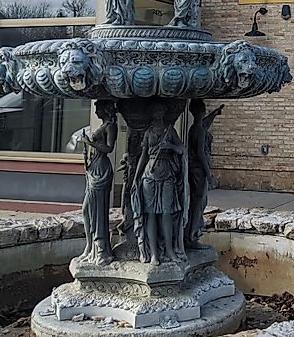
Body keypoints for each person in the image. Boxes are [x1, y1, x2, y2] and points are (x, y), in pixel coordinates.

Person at [131, 102, 188, 264]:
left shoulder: (170, 131)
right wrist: (136, 176)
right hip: (149, 175)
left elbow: (181, 150)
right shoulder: (148, 133)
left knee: (167, 213)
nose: (158, 113)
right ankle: (154, 253)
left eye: (161, 109)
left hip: (167, 174)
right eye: (155, 109)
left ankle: (170, 250)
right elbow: (143, 156)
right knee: (150, 214)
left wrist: (170, 146)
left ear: (164, 112)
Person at [80, 100, 117, 265]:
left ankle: (101, 248)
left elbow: (110, 148)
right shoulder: (103, 125)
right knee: (86, 210)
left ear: (106, 110)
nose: (95, 112)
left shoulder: (111, 126)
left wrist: (90, 143)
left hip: (102, 168)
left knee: (97, 209)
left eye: (98, 108)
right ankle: (90, 246)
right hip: (94, 167)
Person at [186, 100, 223, 248]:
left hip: (194, 169)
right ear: (201, 112)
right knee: (198, 203)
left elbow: (206, 123)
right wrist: (209, 175)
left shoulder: (194, 128)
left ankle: (191, 233)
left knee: (198, 202)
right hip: (199, 170)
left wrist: (214, 113)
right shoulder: (199, 130)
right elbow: (201, 153)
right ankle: (193, 236)